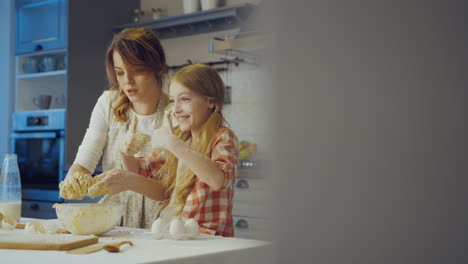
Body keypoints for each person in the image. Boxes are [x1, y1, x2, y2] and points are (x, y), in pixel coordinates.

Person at [93, 64, 239, 236]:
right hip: (173, 233)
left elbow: (217, 180)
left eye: (185, 99)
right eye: (172, 101)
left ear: (211, 102)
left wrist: (173, 144)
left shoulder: (222, 137)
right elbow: (140, 169)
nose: (175, 109)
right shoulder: (182, 138)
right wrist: (127, 152)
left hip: (206, 236)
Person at [59, 27, 169, 228]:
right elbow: (85, 160)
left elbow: (175, 188)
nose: (127, 81)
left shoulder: (175, 112)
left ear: (158, 68)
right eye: (120, 73)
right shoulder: (108, 103)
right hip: (114, 220)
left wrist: (130, 181)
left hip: (161, 222)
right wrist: (75, 176)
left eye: (137, 71)